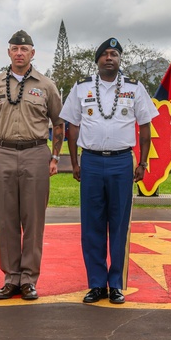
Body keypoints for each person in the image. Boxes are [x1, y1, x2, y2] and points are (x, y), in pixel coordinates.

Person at [61, 37, 155, 305]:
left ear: (119, 59)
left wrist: (143, 162)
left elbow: (145, 125)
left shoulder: (135, 89)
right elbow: (73, 126)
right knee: (92, 225)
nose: (109, 58)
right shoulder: (81, 88)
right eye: (105, 54)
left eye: (114, 54)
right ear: (97, 60)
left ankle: (115, 284)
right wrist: (75, 163)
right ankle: (95, 284)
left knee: (119, 224)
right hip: (90, 161)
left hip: (121, 162)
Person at [0, 30, 64, 301]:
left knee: (34, 219)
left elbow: (59, 123)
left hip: (35, 153)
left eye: (24, 49)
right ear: (8, 52)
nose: (19, 53)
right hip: (2, 152)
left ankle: (28, 278)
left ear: (33, 53)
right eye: (15, 48)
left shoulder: (47, 85)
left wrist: (55, 157)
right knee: (6, 219)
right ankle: (11, 277)